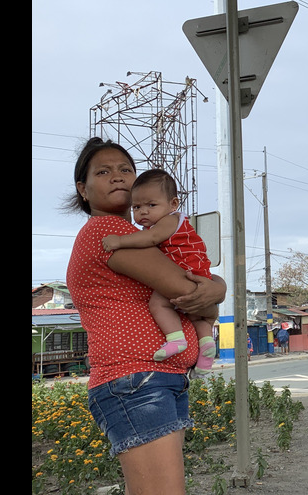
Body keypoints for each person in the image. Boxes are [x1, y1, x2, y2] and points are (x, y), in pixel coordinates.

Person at [65, 138, 226, 495]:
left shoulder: (139, 238)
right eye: (103, 172)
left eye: (125, 170)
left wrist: (215, 288)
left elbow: (198, 295)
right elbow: (189, 292)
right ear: (83, 189)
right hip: (136, 380)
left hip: (154, 379)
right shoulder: (106, 231)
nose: (118, 177)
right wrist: (217, 289)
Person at [101, 168, 217, 376]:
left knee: (158, 303)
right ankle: (207, 347)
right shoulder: (175, 221)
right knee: (197, 317)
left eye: (151, 205)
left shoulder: (169, 220)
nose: (143, 212)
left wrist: (119, 241)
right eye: (136, 207)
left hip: (183, 268)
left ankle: (175, 338)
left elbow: (151, 239)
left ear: (173, 204)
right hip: (198, 271)